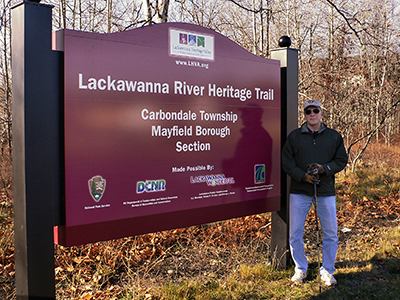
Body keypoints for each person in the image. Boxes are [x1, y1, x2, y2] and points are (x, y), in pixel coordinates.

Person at [282, 99, 348, 286]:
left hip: (325, 191)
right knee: (295, 233)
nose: (312, 114)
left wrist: (324, 168)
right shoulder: (294, 136)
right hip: (299, 191)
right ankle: (300, 269)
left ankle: (327, 270)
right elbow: (287, 162)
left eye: (315, 110)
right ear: (304, 114)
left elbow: (341, 160)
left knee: (331, 232)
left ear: (321, 112)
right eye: (308, 111)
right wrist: (303, 176)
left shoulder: (334, 136)